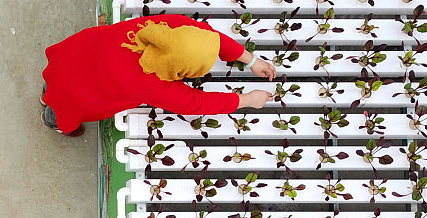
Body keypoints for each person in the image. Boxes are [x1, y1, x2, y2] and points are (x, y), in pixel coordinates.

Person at [40, 13, 278, 136]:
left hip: (77, 53)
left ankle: (46, 91)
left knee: (58, 77)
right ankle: (54, 119)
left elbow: (206, 35)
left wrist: (251, 59)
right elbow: (196, 103)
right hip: (80, 92)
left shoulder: (166, 28)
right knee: (64, 106)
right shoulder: (152, 83)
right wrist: (247, 100)